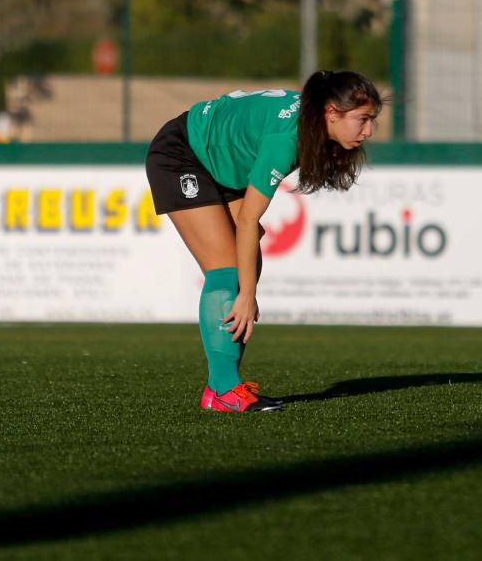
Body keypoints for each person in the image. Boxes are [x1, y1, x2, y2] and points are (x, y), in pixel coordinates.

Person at [145, 70, 383, 412]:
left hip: (221, 161)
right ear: (331, 112)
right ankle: (225, 390)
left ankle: (220, 388)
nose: (369, 130)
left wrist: (248, 289)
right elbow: (248, 219)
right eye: (362, 119)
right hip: (184, 153)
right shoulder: (287, 139)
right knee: (227, 272)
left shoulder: (310, 126)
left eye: (372, 119)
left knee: (248, 264)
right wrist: (247, 296)